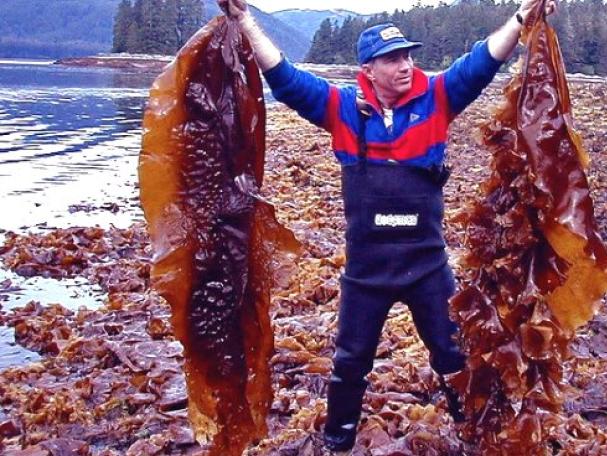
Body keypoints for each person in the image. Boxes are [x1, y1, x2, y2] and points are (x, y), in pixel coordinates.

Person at [218, 0, 557, 451]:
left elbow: (482, 62)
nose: (405, 65)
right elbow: (284, 76)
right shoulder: (340, 108)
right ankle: (337, 442)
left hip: (427, 268)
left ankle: (473, 435)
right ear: (369, 69)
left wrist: (521, 17)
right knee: (350, 362)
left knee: (453, 355)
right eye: (393, 58)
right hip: (366, 273)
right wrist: (243, 20)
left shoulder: (437, 99)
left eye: (408, 56)